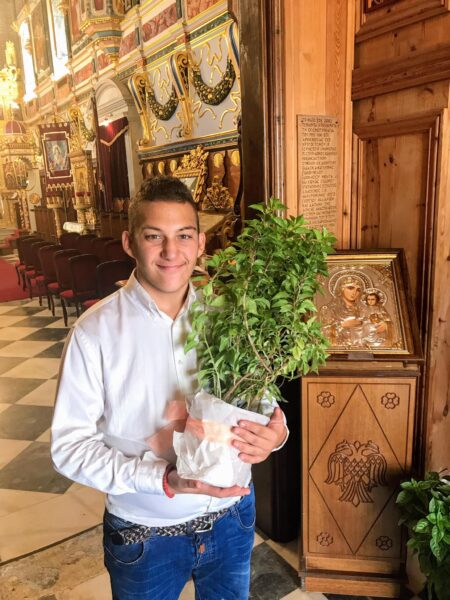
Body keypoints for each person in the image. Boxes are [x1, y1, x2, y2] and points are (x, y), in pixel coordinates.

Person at [51, 176, 288, 600]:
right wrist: (162, 479)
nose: (171, 251)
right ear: (129, 243)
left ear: (201, 242)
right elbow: (69, 448)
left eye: (183, 235)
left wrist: (276, 433)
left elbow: (262, 398)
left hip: (232, 518)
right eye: (153, 236)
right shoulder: (95, 333)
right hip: (146, 534)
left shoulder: (229, 317)